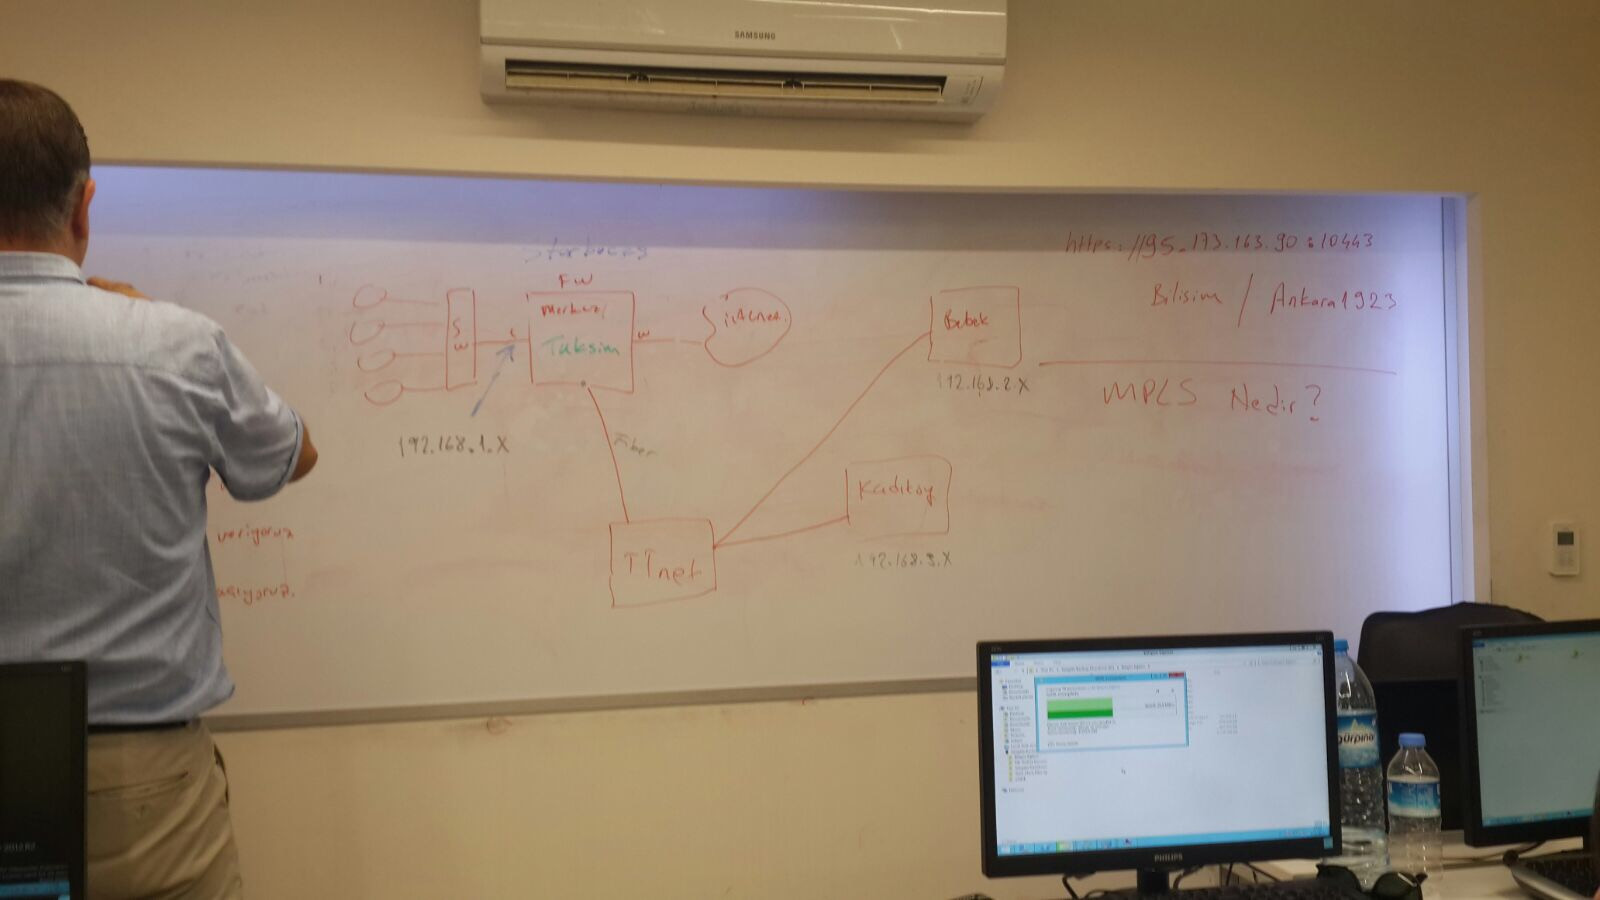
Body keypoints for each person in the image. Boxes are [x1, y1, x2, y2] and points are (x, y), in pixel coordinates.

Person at [0, 79, 316, 898]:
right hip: (142, 785)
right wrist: (149, 326)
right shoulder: (174, 345)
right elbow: (294, 455)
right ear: (83, 207)